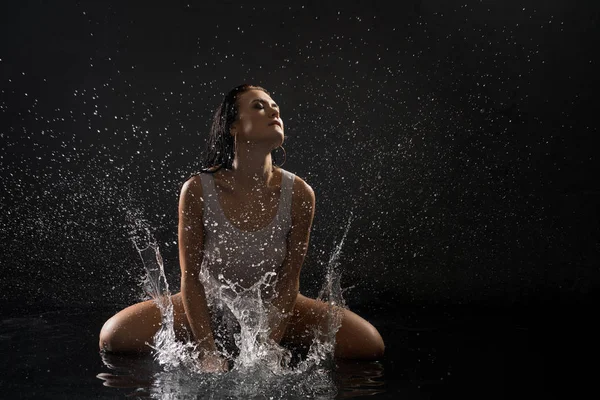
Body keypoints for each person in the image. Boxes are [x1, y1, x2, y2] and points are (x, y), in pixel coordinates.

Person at [98, 84, 385, 372]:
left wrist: (267, 350)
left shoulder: (299, 194)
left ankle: (273, 340)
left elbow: (288, 280)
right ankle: (213, 339)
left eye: (275, 107)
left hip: (273, 306)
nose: (273, 110)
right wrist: (206, 351)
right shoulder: (198, 189)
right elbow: (192, 278)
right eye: (259, 106)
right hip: (209, 304)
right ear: (233, 126)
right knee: (113, 335)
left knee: (369, 344)